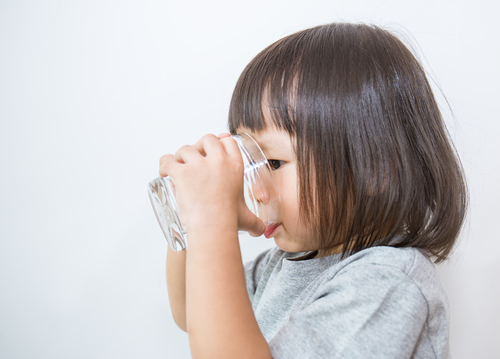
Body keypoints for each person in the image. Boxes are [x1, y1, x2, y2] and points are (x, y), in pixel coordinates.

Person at [159, 22, 467, 359]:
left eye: (273, 163)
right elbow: (192, 313)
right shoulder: (285, 264)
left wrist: (211, 219)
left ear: (375, 167)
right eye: (251, 163)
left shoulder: (388, 283)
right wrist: (189, 219)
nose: (256, 188)